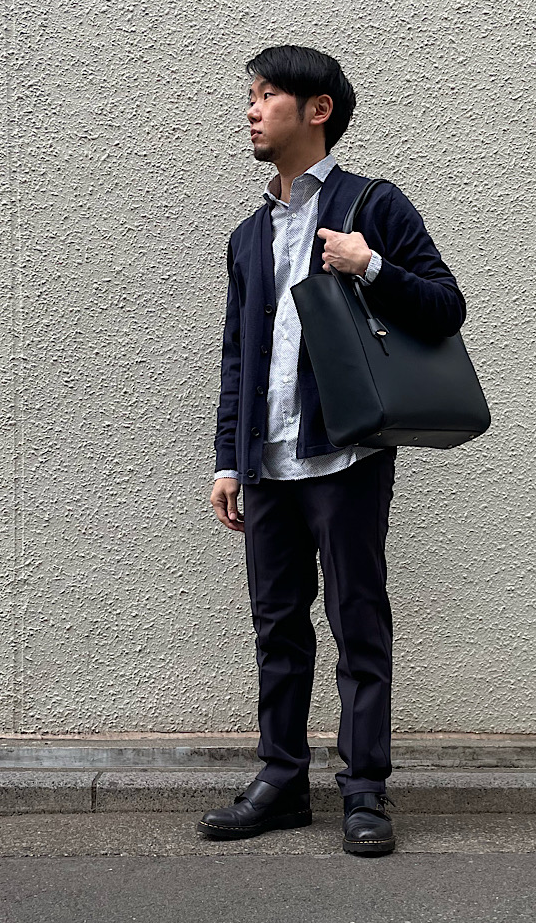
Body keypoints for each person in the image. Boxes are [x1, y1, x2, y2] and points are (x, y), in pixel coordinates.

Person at [197, 45, 466, 856]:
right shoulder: (248, 236)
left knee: (358, 623)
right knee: (277, 627)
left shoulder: (372, 204)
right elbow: (238, 357)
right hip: (268, 464)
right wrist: (228, 459)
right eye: (250, 95)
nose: (252, 109)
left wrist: (370, 263)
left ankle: (364, 790)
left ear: (317, 110)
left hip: (346, 458)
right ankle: (281, 779)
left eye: (268, 95)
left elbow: (445, 306)